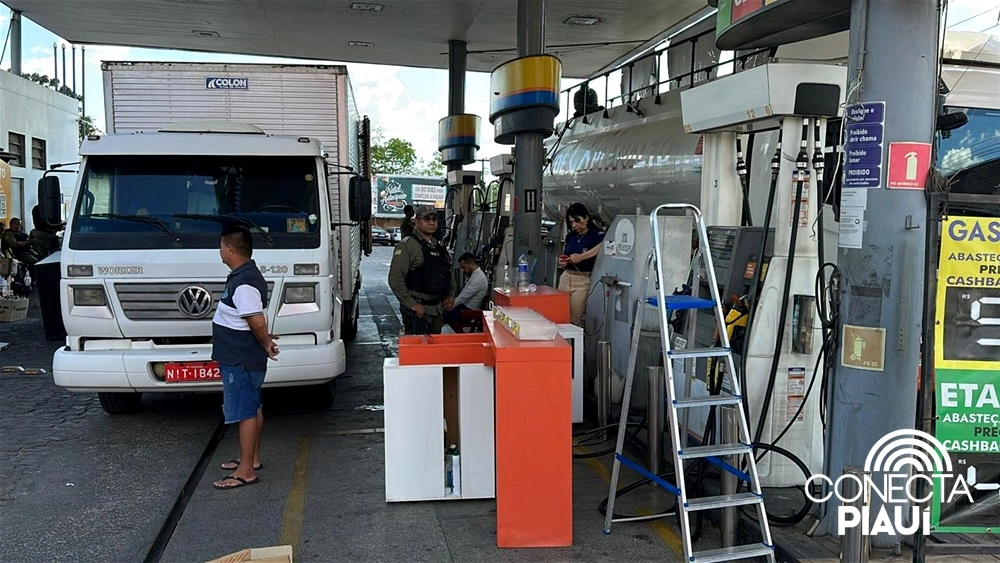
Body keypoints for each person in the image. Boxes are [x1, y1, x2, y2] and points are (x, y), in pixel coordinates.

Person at [211, 225, 279, 490]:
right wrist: (264, 340)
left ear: (229, 249)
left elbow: (256, 320)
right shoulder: (243, 276)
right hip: (241, 354)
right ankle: (252, 458)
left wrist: (265, 342)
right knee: (253, 406)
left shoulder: (245, 281)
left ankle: (246, 470)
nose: (219, 251)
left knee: (245, 413)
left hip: (240, 357)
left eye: (221, 246)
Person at [388, 205, 455, 335]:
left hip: (437, 309)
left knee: (435, 347)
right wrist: (411, 304)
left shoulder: (438, 246)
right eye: (427, 219)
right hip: (418, 312)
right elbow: (395, 278)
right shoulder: (407, 246)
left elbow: (448, 273)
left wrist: (451, 295)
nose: (431, 222)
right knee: (417, 346)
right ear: (416, 221)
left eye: (434, 219)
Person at [558, 203, 605, 327]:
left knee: (575, 316)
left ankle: (574, 338)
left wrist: (581, 257)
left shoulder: (596, 235)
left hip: (582, 279)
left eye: (577, 221)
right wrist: (564, 262)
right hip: (566, 276)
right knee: (560, 314)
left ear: (586, 218)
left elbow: (603, 245)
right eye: (571, 222)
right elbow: (566, 255)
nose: (574, 225)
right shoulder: (571, 236)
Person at [444, 253, 489, 331]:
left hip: (468, 310)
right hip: (466, 306)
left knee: (444, 316)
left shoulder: (478, 278)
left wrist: (449, 306)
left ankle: (460, 334)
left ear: (471, 264)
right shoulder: (475, 275)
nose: (463, 270)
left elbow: (464, 296)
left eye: (464, 267)